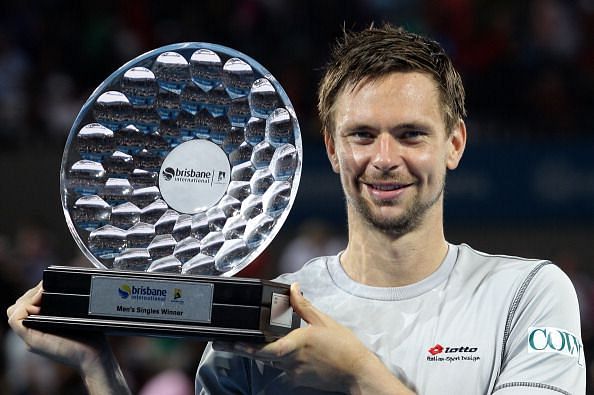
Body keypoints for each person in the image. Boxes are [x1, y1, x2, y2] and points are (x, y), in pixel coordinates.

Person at [7, 24, 585, 394]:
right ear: (331, 148)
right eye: (362, 135)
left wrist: (359, 376)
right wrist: (97, 370)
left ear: (454, 143)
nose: (385, 159)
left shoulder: (524, 294)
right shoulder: (269, 315)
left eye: (411, 134)